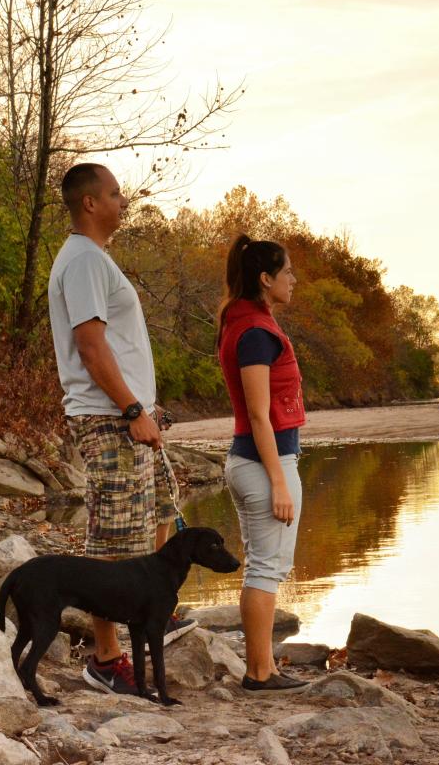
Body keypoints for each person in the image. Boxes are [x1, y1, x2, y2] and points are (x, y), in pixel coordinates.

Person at [48, 162, 194, 697]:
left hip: (127, 417)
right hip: (111, 419)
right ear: (90, 203)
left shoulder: (95, 259)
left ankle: (159, 611)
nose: (122, 200)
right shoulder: (84, 261)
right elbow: (91, 348)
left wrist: (144, 411)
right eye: (114, 193)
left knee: (154, 518)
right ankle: (106, 660)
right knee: (113, 541)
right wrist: (133, 411)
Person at [216, 234, 310, 694]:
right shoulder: (254, 333)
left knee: (265, 565)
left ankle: (265, 667)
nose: (294, 279)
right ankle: (258, 673)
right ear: (265, 278)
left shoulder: (252, 322)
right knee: (265, 570)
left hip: (259, 462)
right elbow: (257, 413)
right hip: (261, 464)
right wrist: (278, 482)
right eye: (287, 271)